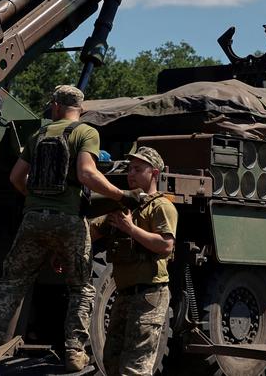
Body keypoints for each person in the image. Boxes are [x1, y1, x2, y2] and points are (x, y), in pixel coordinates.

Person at [0, 85, 143, 375]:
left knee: (11, 284)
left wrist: (36, 201)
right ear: (80, 109)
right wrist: (119, 196)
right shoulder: (85, 133)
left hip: (33, 219)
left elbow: (15, 178)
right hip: (70, 220)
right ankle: (74, 352)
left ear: (56, 107)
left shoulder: (37, 135)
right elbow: (87, 173)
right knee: (81, 287)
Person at [90, 147, 178, 376]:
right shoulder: (124, 205)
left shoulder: (161, 207)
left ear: (154, 173)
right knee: (111, 361)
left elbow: (165, 245)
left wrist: (130, 228)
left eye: (138, 169)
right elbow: (93, 232)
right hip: (124, 294)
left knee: (135, 368)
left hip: (149, 294)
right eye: (130, 169)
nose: (131, 174)